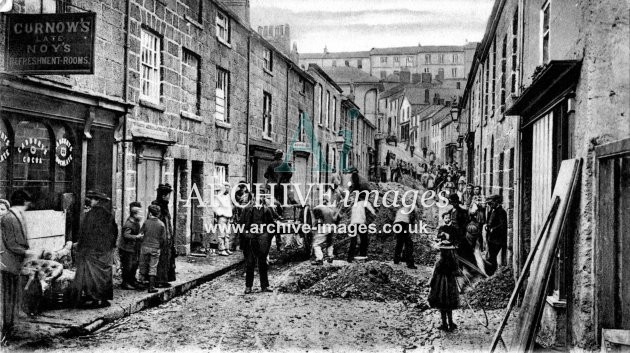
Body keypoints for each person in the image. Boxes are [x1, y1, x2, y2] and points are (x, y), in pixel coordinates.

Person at [72, 190, 118, 308]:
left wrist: (81, 247)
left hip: (92, 250)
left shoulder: (90, 215)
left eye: (92, 199)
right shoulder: (108, 214)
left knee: (92, 275)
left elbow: (85, 233)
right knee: (104, 274)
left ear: (97, 201)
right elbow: (114, 232)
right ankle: (103, 298)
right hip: (105, 250)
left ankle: (94, 298)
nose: (90, 201)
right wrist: (110, 247)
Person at [1, 192, 31, 337]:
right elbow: (11, 243)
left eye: (2, 209)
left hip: (11, 265)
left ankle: (9, 325)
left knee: (11, 295)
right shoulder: (8, 220)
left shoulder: (11, 219)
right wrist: (27, 253)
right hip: (5, 264)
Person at [239, 191, 275, 294]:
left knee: (262, 263)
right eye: (255, 197)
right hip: (250, 239)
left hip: (262, 240)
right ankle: (248, 286)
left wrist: (267, 237)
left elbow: (272, 226)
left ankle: (265, 286)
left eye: (260, 198)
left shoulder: (267, 210)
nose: (257, 200)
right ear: (252, 199)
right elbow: (241, 225)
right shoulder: (246, 209)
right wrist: (247, 235)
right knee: (250, 263)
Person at [428, 240, 460, 332]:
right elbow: (457, 272)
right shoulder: (453, 261)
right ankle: (450, 323)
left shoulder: (440, 262)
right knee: (449, 305)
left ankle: (444, 324)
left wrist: (431, 284)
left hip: (440, 285)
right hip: (450, 284)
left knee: (442, 305)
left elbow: (435, 274)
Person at [139, 204, 167, 293]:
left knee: (143, 265)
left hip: (145, 246)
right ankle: (151, 287)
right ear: (158, 214)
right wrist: (160, 247)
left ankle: (142, 283)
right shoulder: (161, 224)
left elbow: (141, 234)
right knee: (153, 267)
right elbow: (163, 239)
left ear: (150, 213)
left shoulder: (146, 222)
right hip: (155, 247)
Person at [153, 183, 175, 287]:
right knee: (160, 259)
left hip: (167, 237)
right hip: (160, 238)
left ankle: (164, 279)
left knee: (167, 258)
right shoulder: (157, 206)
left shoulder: (165, 206)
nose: (169, 197)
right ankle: (158, 281)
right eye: (168, 195)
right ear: (163, 196)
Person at [119, 202, 144, 290]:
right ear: (134, 214)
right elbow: (126, 235)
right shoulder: (129, 224)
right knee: (127, 266)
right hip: (126, 248)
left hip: (133, 248)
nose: (141, 215)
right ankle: (125, 283)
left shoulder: (136, 222)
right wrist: (136, 237)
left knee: (134, 264)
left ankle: (132, 280)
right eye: (139, 213)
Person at [312, 196, 340, 265]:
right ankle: (330, 257)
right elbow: (339, 217)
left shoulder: (318, 207)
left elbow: (316, 218)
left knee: (316, 244)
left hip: (324, 227)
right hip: (332, 227)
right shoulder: (332, 209)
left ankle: (319, 259)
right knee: (330, 243)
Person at [347, 194, 375, 262]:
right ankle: (363, 256)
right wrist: (374, 214)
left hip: (353, 224)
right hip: (361, 224)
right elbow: (372, 212)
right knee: (364, 240)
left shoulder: (354, 205)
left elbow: (350, 215)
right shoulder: (365, 202)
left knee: (353, 241)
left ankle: (350, 258)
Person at [485, 195, 508, 275]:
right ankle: (490, 273)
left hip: (497, 240)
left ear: (496, 202)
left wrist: (493, 229)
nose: (490, 205)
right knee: (491, 256)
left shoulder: (501, 212)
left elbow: (502, 225)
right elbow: (489, 221)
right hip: (491, 238)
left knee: (492, 257)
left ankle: (491, 273)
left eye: (491, 203)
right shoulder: (492, 210)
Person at [393, 201, 417, 269]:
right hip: (403, 223)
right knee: (408, 243)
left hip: (396, 224)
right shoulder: (412, 206)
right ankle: (410, 264)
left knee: (399, 242)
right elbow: (413, 217)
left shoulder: (400, 209)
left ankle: (396, 260)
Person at [214, 182, 234, 256]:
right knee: (221, 234)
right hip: (222, 217)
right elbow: (215, 208)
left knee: (227, 234)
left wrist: (230, 215)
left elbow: (229, 207)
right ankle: (221, 249)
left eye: (228, 187)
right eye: (226, 187)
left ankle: (226, 248)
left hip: (228, 217)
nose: (228, 189)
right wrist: (220, 213)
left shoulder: (228, 196)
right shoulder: (218, 197)